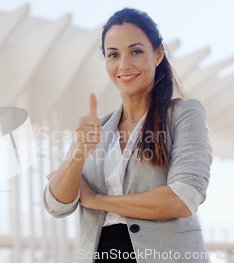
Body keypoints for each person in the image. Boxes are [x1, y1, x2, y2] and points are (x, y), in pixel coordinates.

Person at [43, 8, 213, 263]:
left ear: (157, 54)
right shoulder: (97, 129)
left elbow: (182, 198)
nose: (124, 65)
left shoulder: (183, 114)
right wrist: (77, 155)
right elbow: (56, 205)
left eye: (135, 51)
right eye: (113, 55)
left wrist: (97, 200)